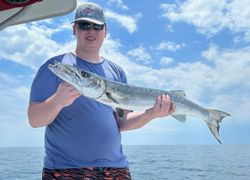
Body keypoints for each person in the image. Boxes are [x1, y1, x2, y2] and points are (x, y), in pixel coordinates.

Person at [27, 2, 175, 179]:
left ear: (106, 31)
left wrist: (150, 114)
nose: (91, 31)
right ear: (74, 29)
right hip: (66, 170)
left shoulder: (117, 71)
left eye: (97, 26)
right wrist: (57, 100)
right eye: (84, 25)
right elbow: (34, 120)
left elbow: (122, 122)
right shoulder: (55, 67)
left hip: (116, 169)